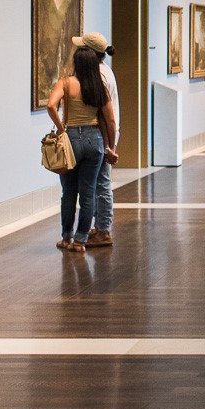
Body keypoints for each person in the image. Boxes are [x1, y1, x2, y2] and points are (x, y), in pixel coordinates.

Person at [47, 45, 118, 252]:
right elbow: (110, 120)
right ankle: (81, 240)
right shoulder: (99, 87)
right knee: (88, 192)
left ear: (76, 63)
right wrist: (110, 147)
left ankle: (67, 238)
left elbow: (51, 105)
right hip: (94, 139)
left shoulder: (66, 83)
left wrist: (62, 129)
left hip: (70, 140)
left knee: (68, 191)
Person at [74, 31, 120, 248]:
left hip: (101, 135)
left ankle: (103, 229)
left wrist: (109, 145)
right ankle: (100, 226)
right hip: (105, 135)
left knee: (101, 183)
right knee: (99, 182)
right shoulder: (104, 71)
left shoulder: (98, 76)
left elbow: (106, 115)